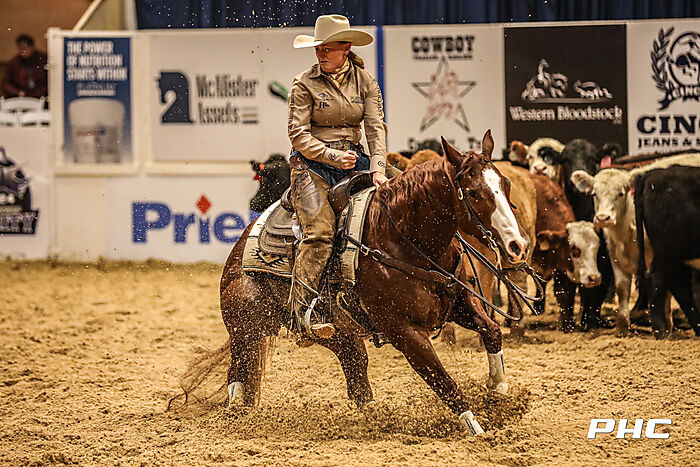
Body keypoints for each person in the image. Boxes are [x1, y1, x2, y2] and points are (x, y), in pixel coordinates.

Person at [287, 14, 388, 341]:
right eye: (318, 49)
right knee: (319, 233)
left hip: (355, 160)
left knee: (405, 202)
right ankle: (303, 312)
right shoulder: (304, 83)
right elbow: (298, 135)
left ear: (346, 48)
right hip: (312, 166)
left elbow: (375, 129)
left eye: (327, 49)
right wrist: (331, 156)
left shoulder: (366, 82)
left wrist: (379, 168)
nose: (321, 54)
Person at [2, 34, 48, 99]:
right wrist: (17, 92)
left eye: (25, 48)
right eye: (20, 48)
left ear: (32, 47)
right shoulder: (15, 62)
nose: (23, 51)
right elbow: (6, 83)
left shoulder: (43, 59)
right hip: (20, 97)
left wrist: (36, 94)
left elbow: (50, 82)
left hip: (40, 97)